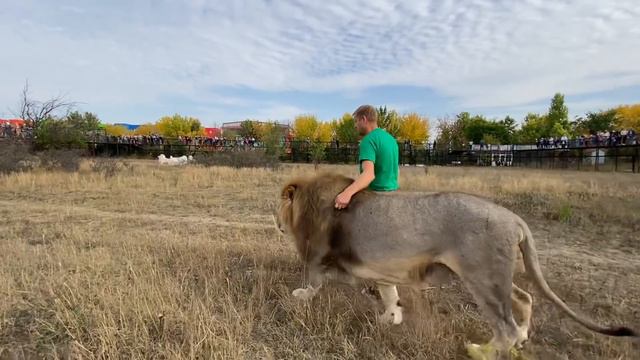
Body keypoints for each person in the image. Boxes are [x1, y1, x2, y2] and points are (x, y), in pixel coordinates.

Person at [334, 104, 399, 210]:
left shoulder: (368, 140)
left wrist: (347, 193)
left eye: (356, 121)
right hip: (394, 194)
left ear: (363, 119)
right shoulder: (391, 139)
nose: (355, 126)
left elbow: (369, 174)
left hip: (376, 198)